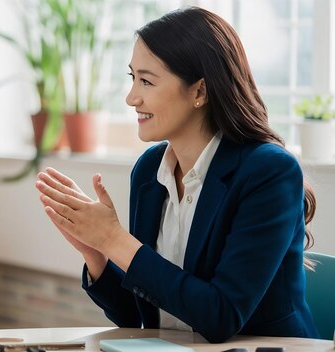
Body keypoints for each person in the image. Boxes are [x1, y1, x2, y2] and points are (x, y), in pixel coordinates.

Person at [35, 6, 319, 343]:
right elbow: (137, 313)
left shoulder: (269, 172)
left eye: (147, 81)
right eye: (132, 78)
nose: (131, 98)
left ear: (199, 91)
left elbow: (221, 316)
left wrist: (114, 239)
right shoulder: (149, 171)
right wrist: (96, 252)